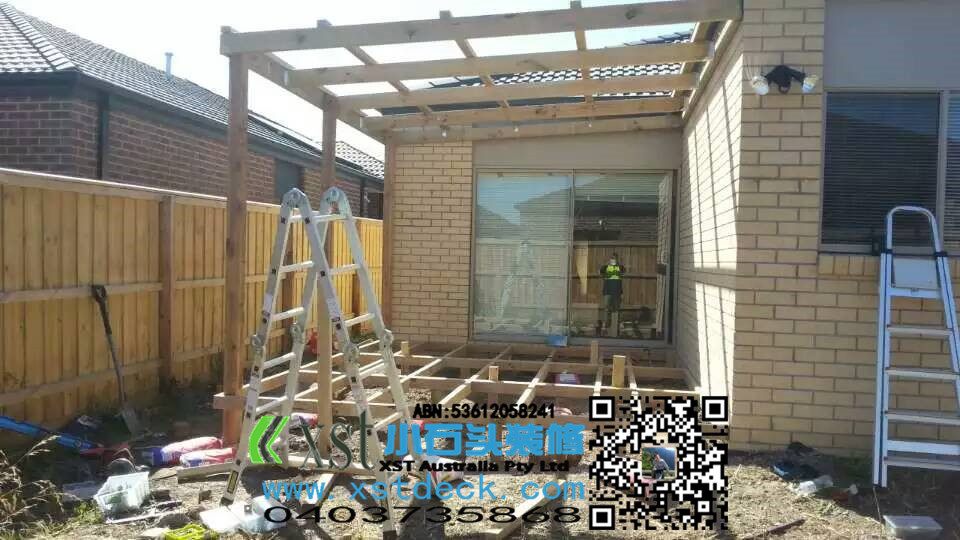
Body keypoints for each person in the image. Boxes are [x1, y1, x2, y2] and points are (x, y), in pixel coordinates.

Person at [599, 253, 626, 336]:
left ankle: (620, 325)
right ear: (610, 259)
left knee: (617, 309)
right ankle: (604, 326)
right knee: (606, 309)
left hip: (617, 291)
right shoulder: (605, 267)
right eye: (612, 258)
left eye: (615, 258)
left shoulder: (620, 267)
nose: (613, 260)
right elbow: (600, 272)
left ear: (617, 259)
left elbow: (624, 271)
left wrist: (617, 264)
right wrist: (607, 264)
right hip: (607, 291)